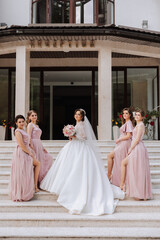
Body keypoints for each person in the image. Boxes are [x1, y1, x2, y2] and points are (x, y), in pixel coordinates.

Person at [40, 109, 124, 215]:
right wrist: (71, 135)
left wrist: (74, 136)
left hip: (81, 147)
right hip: (73, 146)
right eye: (76, 114)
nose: (77, 116)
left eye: (79, 114)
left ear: (82, 116)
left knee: (78, 168)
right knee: (68, 166)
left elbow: (84, 138)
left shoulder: (82, 125)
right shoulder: (77, 124)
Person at [120, 109, 152, 200]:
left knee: (135, 169)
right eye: (136, 115)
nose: (137, 116)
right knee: (134, 168)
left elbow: (137, 139)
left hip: (137, 148)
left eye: (139, 115)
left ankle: (137, 192)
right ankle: (130, 188)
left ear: (142, 117)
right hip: (136, 147)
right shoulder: (138, 125)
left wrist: (130, 148)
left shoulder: (141, 125)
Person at [9, 115, 40, 201]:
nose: (22, 123)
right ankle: (24, 192)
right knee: (23, 171)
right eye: (19, 122)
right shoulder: (17, 131)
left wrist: (31, 150)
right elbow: (21, 144)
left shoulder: (23, 130)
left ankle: (31, 187)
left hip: (26, 150)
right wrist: (29, 152)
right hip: (22, 153)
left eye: (22, 121)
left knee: (27, 170)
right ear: (16, 123)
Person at [108, 108, 134, 186]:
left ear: (130, 115)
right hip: (122, 143)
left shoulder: (129, 123)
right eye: (123, 113)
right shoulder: (126, 123)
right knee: (117, 160)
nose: (125, 115)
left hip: (124, 143)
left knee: (110, 156)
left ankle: (109, 176)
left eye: (126, 113)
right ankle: (113, 177)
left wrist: (119, 139)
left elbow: (129, 135)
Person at [27, 110, 53, 184]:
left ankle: (40, 180)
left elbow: (39, 138)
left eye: (35, 115)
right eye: (32, 115)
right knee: (37, 161)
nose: (34, 117)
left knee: (48, 157)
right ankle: (35, 183)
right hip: (34, 144)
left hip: (38, 144)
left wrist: (42, 147)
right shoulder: (30, 125)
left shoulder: (37, 125)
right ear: (29, 117)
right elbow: (29, 136)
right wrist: (31, 146)